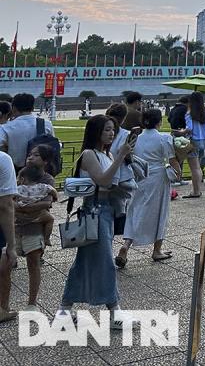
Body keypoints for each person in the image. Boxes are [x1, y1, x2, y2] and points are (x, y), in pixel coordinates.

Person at [61, 115, 136, 325]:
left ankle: (64, 308)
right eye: (107, 130)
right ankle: (114, 311)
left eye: (113, 130)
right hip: (94, 210)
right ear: (96, 132)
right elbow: (102, 180)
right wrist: (121, 157)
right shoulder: (89, 154)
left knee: (84, 263)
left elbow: (111, 181)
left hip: (106, 210)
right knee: (105, 261)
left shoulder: (107, 153)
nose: (111, 134)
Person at [116, 109, 181, 268]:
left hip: (140, 176)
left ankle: (126, 244)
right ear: (159, 122)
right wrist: (178, 172)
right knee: (160, 212)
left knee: (136, 210)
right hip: (158, 177)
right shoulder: (164, 138)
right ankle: (157, 249)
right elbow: (171, 159)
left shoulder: (136, 139)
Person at [10, 162, 54, 308]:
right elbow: (52, 196)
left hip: (27, 229)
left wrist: (22, 208)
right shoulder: (43, 187)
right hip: (23, 227)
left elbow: (10, 203)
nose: (31, 157)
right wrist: (32, 208)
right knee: (18, 264)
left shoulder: (18, 188)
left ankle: (31, 302)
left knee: (32, 264)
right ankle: (28, 303)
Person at [0, 145, 19, 323]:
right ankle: (2, 309)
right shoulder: (3, 159)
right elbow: (5, 205)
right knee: (4, 266)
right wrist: (12, 245)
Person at [183, 93, 205, 198]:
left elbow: (189, 128)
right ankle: (198, 190)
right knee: (198, 167)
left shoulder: (190, 113)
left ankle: (196, 191)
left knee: (194, 168)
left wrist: (181, 132)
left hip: (194, 141)